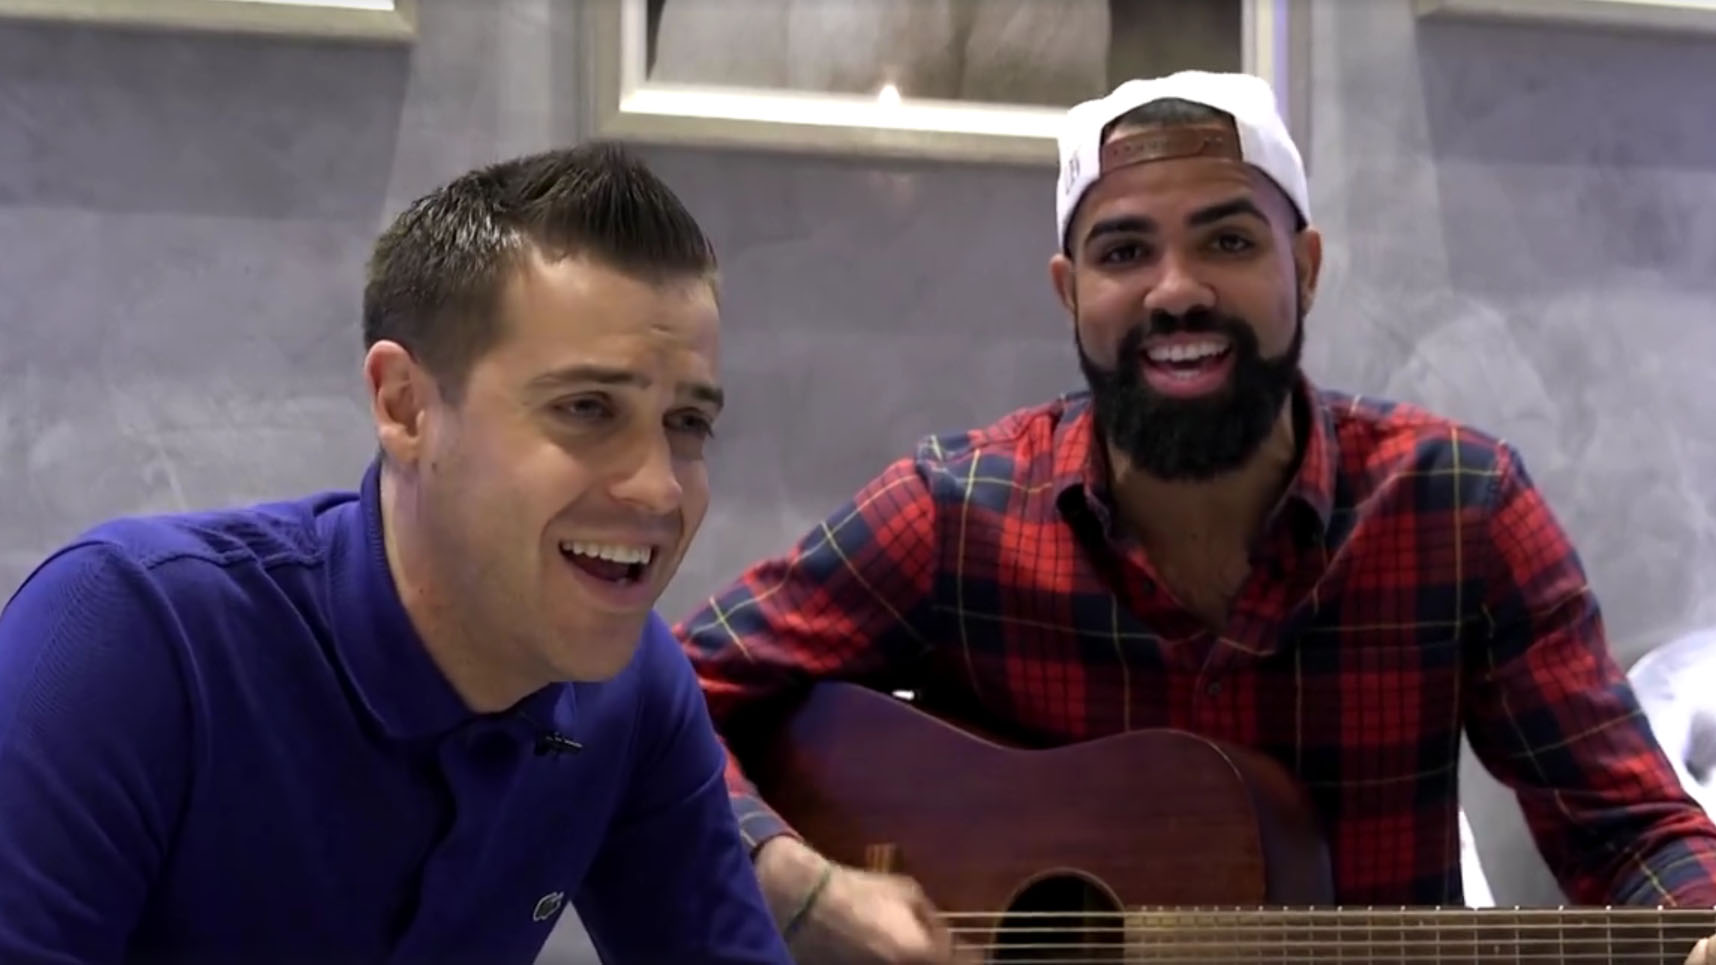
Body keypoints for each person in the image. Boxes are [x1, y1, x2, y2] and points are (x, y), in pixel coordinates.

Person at [673, 71, 1716, 964]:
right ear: (1068, 291)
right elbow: (657, 693)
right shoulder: (955, 512)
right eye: (1125, 252)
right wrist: (801, 883)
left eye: (1227, 239)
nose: (1176, 291)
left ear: (1305, 268)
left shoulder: (1460, 508)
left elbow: (1629, 833)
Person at [0, 143, 791, 964]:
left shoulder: (633, 691)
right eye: (588, 408)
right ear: (405, 406)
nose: (659, 488)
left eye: (688, 423)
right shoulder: (130, 637)